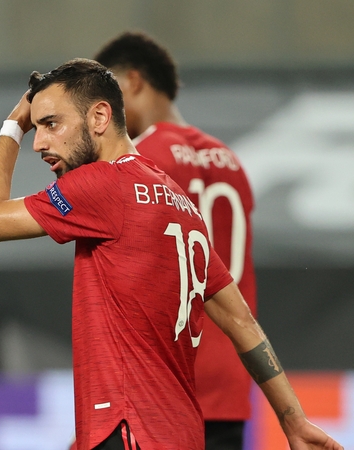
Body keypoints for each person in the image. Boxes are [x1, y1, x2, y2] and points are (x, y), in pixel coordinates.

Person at [0, 59, 341, 450]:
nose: (39, 142)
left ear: (99, 117)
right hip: (179, 432)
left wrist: (13, 126)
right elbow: (240, 320)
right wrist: (293, 421)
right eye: (36, 127)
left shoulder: (102, 184)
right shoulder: (180, 202)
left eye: (50, 124)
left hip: (130, 431)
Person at [93, 31, 257, 450]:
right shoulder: (230, 160)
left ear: (130, 82)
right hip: (231, 374)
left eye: (104, 93)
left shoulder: (141, 161)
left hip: (168, 376)